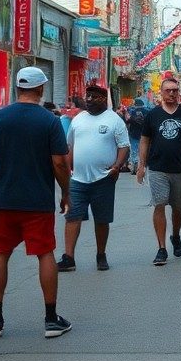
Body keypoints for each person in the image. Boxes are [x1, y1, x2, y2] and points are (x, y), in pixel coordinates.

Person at [0, 67, 71, 339]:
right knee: (45, 254)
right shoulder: (49, 120)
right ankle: (51, 319)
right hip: (37, 201)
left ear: (18, 88)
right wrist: (66, 192)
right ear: (41, 89)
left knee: (0, 253)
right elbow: (60, 162)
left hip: (4, 199)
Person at [57, 84, 128, 272]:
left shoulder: (114, 120)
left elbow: (124, 146)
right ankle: (69, 257)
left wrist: (117, 166)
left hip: (104, 179)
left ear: (103, 99)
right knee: (72, 216)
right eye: (87, 96)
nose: (89, 100)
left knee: (101, 220)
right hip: (78, 180)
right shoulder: (78, 119)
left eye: (93, 97)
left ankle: (101, 254)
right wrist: (66, 171)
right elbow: (70, 147)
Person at [138, 78, 181, 266]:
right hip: (157, 168)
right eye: (168, 90)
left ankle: (176, 235)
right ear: (161, 93)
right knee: (160, 204)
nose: (172, 93)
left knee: (178, 208)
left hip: (180, 169)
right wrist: (141, 165)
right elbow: (144, 140)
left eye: (175, 90)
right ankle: (161, 248)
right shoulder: (152, 115)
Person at [125, 98, 148, 173]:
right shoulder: (147, 112)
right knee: (144, 150)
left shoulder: (131, 111)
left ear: (135, 104)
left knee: (134, 151)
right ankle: (142, 165)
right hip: (145, 135)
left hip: (133, 134)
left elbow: (127, 120)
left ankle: (135, 165)